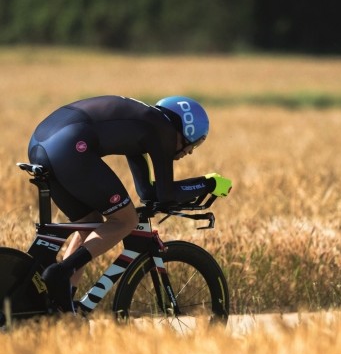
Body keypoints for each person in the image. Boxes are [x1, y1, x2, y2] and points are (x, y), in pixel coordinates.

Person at [27, 95, 232, 313]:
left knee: (90, 223)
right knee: (126, 219)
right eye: (195, 143)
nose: (190, 151)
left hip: (40, 145)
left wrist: (188, 190)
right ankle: (61, 272)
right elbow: (166, 193)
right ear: (186, 129)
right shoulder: (163, 130)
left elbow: (148, 192)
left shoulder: (145, 126)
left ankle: (60, 303)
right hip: (69, 147)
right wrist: (208, 183)